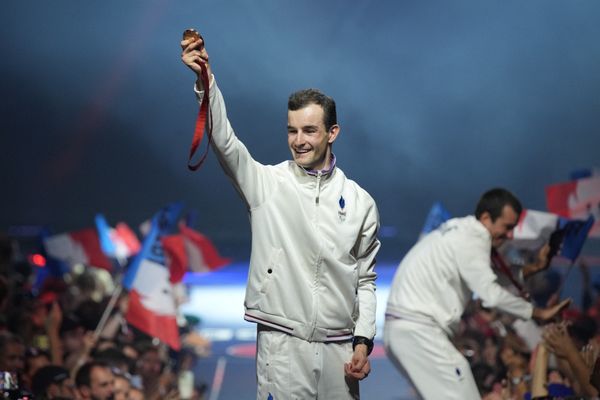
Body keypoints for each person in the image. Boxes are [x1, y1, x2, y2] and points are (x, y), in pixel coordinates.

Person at [181, 31, 380, 399]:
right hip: (282, 345)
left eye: (309, 130)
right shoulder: (266, 184)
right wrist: (204, 81)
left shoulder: (360, 202)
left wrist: (362, 342)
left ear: (332, 132)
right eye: (292, 131)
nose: (298, 140)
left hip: (340, 349)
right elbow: (224, 140)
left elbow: (365, 281)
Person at [383, 188, 571, 399]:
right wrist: (538, 313)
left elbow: (493, 275)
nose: (509, 235)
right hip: (418, 330)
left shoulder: (462, 232)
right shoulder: (474, 239)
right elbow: (491, 294)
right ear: (486, 218)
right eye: (507, 227)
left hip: (404, 330)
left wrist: (534, 267)